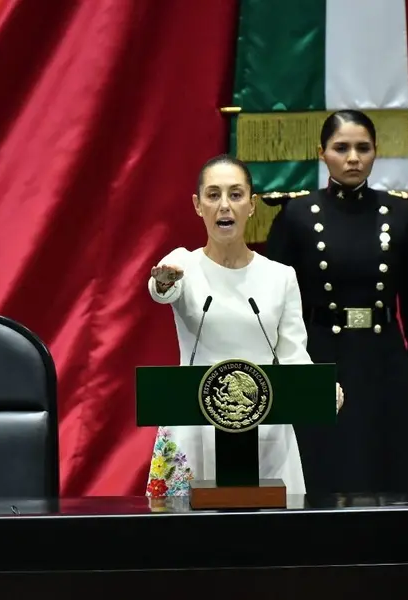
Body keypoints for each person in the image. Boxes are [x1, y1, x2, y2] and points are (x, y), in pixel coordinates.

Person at [145, 154, 344, 497]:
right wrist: (163, 281)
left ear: (252, 205)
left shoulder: (280, 277)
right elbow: (162, 289)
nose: (225, 206)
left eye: (236, 195)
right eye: (213, 195)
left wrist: (319, 388)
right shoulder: (181, 265)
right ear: (197, 205)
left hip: (265, 426)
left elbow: (293, 355)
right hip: (193, 424)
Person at [265, 109, 408, 495]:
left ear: (376, 152)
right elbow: (274, 307)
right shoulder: (297, 215)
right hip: (319, 356)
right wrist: (281, 375)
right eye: (341, 148)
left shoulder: (401, 213)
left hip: (383, 357)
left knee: (386, 469)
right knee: (325, 464)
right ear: (321, 153)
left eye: (363, 148)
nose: (353, 158)